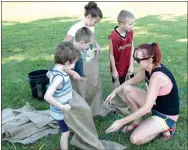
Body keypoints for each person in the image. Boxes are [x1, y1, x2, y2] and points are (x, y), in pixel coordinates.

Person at [104, 43, 180, 145]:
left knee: (135, 139)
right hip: (155, 104)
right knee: (127, 89)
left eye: (138, 60)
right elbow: (131, 81)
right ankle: (137, 121)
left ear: (150, 59)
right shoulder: (147, 68)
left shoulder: (157, 76)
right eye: (134, 58)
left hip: (165, 114)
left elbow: (146, 108)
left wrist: (121, 121)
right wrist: (115, 91)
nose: (135, 62)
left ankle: (167, 126)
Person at [44, 41, 78, 150]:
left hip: (64, 108)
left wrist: (72, 73)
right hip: (60, 111)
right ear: (67, 63)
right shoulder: (59, 78)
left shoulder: (56, 69)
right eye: (74, 63)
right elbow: (47, 96)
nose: (74, 66)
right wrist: (62, 107)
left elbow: (49, 73)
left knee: (68, 125)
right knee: (65, 133)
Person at [109, 10, 135, 85]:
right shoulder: (113, 37)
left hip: (129, 67)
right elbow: (111, 55)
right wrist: (114, 70)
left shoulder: (130, 32)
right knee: (119, 90)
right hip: (118, 69)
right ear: (121, 24)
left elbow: (132, 49)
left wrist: (131, 66)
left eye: (133, 24)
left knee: (130, 88)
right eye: (130, 24)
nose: (132, 26)